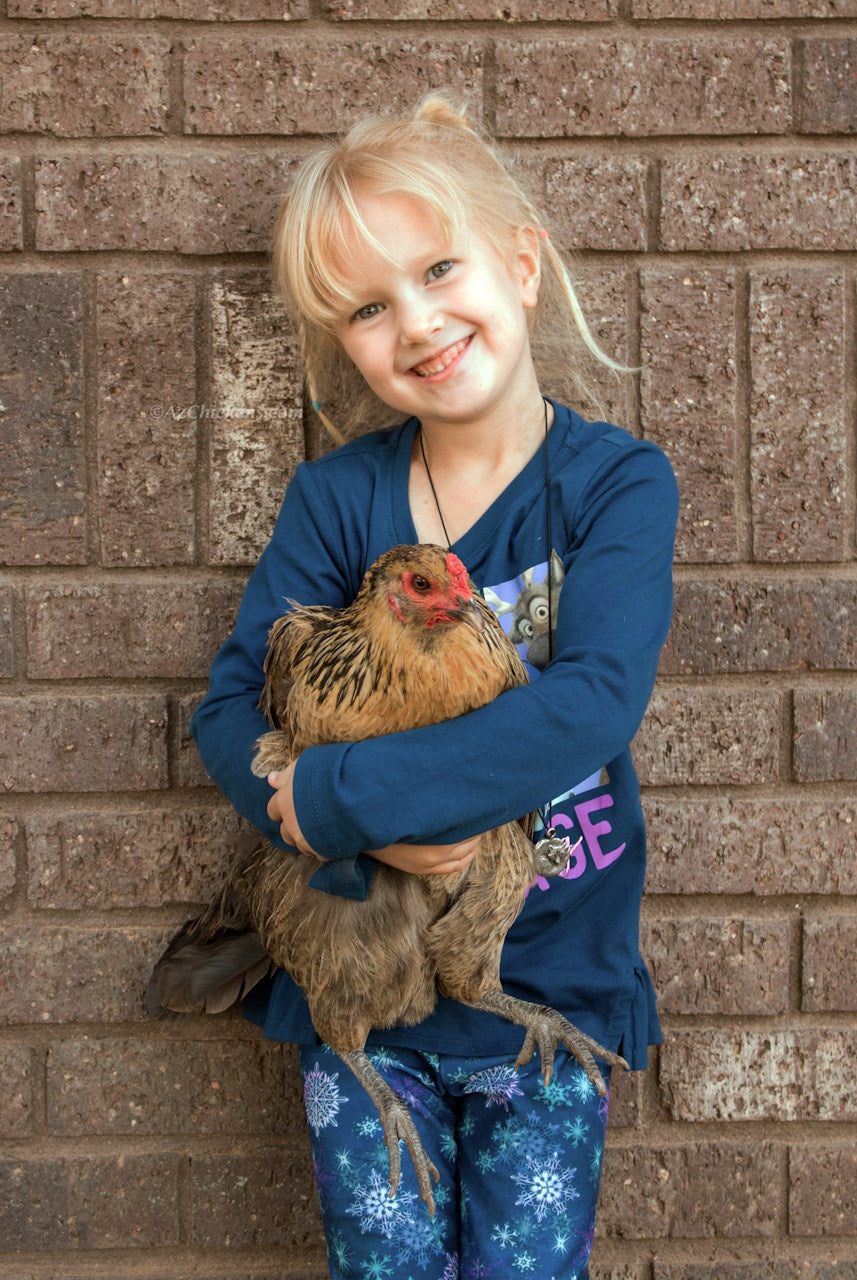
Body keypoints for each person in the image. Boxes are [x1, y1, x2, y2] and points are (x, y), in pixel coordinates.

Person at [191, 93, 679, 1280]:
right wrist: (338, 824)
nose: (415, 321)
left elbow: (591, 702)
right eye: (367, 306)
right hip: (353, 978)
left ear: (520, 264)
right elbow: (226, 716)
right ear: (341, 345)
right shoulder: (336, 504)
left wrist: (348, 800)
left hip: (546, 982)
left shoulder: (613, 486)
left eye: (438, 267)